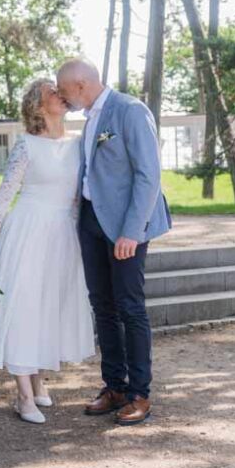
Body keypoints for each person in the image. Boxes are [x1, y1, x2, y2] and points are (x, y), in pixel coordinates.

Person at [0, 77, 95, 424]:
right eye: (51, 93)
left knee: (48, 307)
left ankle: (39, 380)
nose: (60, 95)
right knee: (23, 307)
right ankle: (24, 397)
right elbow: (6, 191)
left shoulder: (78, 143)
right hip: (27, 230)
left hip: (62, 233)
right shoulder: (26, 145)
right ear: (39, 107)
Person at [55, 57, 171, 426]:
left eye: (63, 90)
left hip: (125, 227)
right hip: (91, 222)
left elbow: (149, 175)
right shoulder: (90, 119)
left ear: (80, 85)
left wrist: (132, 231)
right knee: (102, 307)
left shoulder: (130, 111)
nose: (62, 97)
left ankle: (140, 393)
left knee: (130, 307)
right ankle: (114, 386)